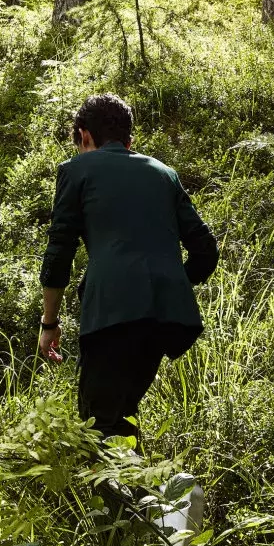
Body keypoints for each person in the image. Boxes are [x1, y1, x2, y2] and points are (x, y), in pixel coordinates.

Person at [38, 92, 219, 444]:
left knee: (98, 425)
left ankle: (125, 498)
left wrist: (50, 322)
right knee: (122, 414)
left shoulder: (76, 171)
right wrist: (172, 285)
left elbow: (59, 251)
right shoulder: (163, 174)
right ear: (128, 140)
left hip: (112, 311)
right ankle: (144, 494)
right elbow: (206, 251)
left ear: (84, 135)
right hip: (164, 317)